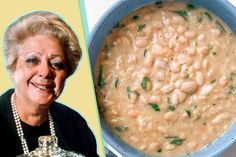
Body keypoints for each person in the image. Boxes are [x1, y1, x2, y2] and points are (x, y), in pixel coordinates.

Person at [0, 11, 99, 157]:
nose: (45, 72)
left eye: (56, 64)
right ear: (13, 66)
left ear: (67, 73)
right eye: (32, 60)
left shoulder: (75, 125)